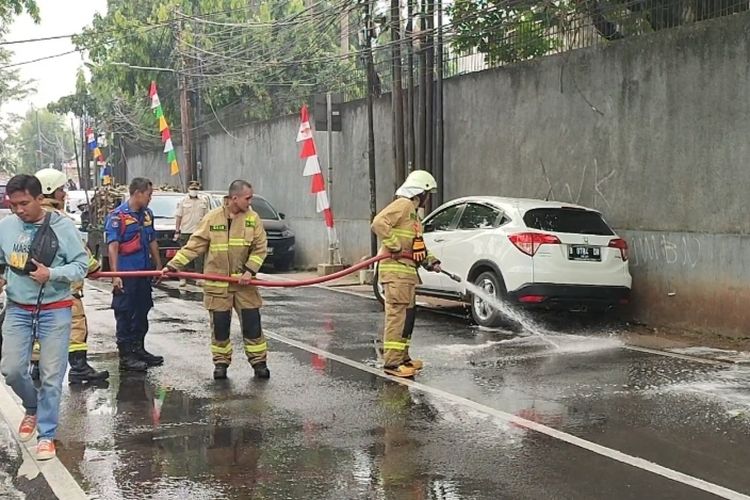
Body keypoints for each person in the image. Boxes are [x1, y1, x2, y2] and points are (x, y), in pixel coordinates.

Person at [0, 174, 89, 460]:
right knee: (12, 369)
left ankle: (47, 434)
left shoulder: (63, 227)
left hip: (55, 309)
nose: (18, 210)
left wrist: (52, 274)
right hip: (17, 308)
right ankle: (33, 406)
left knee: (52, 375)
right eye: (13, 204)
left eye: (24, 203)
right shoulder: (6, 227)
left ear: (40, 199)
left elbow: (81, 265)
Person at [163, 180, 269, 380]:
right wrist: (172, 266)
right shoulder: (212, 218)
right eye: (247, 198)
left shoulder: (253, 219)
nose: (250, 201)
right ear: (234, 198)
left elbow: (260, 248)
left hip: (244, 286)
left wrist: (249, 271)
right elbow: (195, 245)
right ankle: (221, 363)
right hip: (217, 286)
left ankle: (259, 363)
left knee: (252, 325)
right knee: (220, 328)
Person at [28, 168, 109, 384]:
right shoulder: (59, 219)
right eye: (61, 189)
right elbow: (80, 252)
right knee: (75, 325)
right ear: (51, 191)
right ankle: (79, 367)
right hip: (64, 286)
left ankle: (37, 367)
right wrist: (93, 268)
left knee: (39, 326)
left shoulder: (31, 218)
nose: (64, 194)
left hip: (36, 287)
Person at [371, 170, 442, 378]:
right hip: (396, 273)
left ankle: (403, 358)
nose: (428, 200)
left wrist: (431, 261)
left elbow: (417, 246)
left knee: (407, 318)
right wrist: (393, 245)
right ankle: (392, 364)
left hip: (407, 274)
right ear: (420, 192)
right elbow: (378, 223)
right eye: (428, 194)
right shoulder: (403, 205)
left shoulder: (414, 217)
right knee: (397, 317)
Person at [105, 177, 163, 372]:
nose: (150, 198)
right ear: (137, 193)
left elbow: (152, 240)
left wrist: (158, 265)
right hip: (126, 275)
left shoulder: (147, 215)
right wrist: (115, 275)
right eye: (149, 194)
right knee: (125, 314)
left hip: (144, 273)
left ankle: (139, 349)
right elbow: (112, 247)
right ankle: (126, 355)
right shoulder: (117, 217)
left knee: (142, 311)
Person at [173, 180, 210, 287]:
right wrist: (177, 231)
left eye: (196, 189)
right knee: (184, 255)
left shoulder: (203, 201)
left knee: (199, 256)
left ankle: (199, 277)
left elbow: (207, 218)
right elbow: (179, 217)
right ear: (189, 189)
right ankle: (182, 278)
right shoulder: (183, 201)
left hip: (199, 232)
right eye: (192, 189)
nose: (194, 191)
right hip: (185, 231)